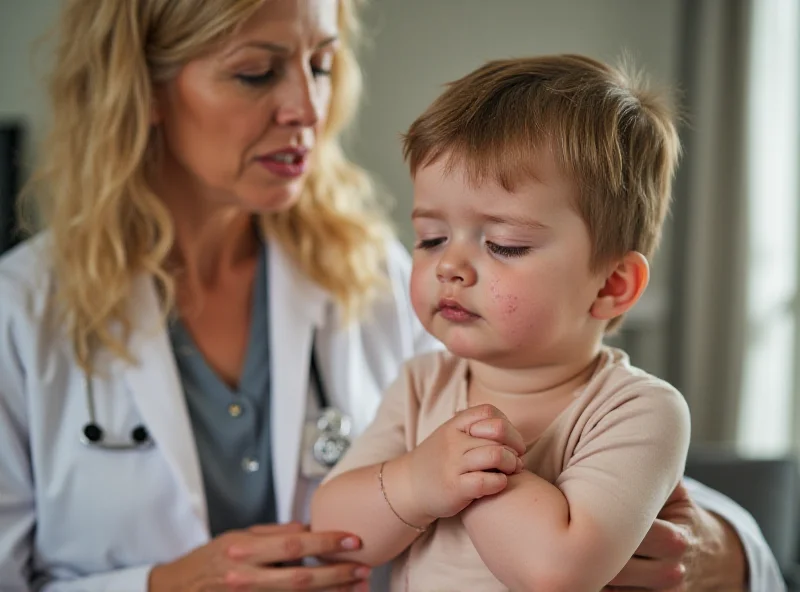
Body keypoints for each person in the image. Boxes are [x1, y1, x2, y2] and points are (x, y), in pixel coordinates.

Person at [0, 0, 784, 591]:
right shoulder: (20, 312)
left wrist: (724, 553)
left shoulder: (388, 284)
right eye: (255, 70)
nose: (308, 110)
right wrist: (157, 586)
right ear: (144, 89)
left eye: (323, 64)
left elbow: (626, 466)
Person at [310, 54, 783, 592]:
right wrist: (417, 481)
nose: (450, 266)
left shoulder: (638, 411)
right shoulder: (422, 384)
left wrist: (475, 475)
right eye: (431, 238)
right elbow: (334, 531)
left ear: (610, 286)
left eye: (503, 245)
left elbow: (557, 573)